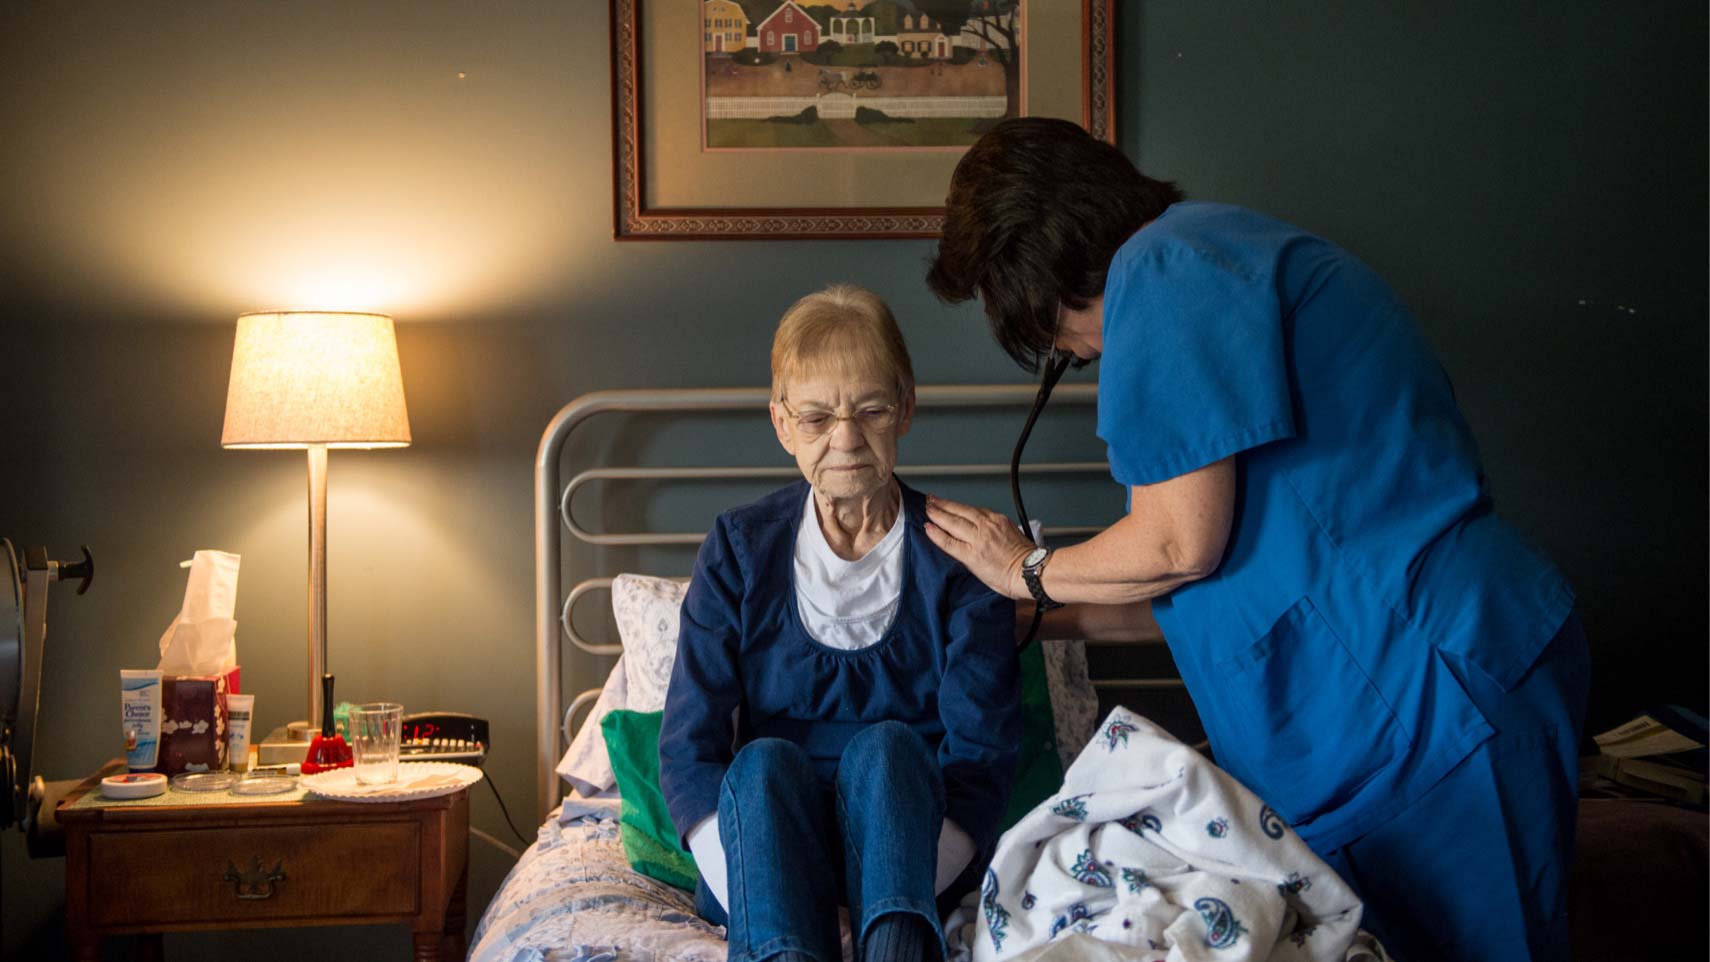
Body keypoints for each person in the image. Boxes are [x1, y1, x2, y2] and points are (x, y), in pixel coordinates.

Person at [920, 117, 1587, 962]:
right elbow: (1199, 592)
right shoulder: (1201, 264)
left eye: (1037, 330)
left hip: (1435, 688)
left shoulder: (1163, 267)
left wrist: (1026, 569)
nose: (1066, 354)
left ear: (1033, 277)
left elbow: (1176, 545)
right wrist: (1030, 614)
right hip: (1385, 716)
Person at [660, 284, 1021, 962]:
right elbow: (690, 751)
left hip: (912, 850)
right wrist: (779, 898)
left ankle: (895, 946)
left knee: (888, 750)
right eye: (818, 417)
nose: (846, 440)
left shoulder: (965, 556)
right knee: (762, 764)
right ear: (782, 425)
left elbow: (981, 761)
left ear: (906, 409)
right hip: (763, 849)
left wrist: (886, 896)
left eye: (872, 410)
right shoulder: (739, 549)